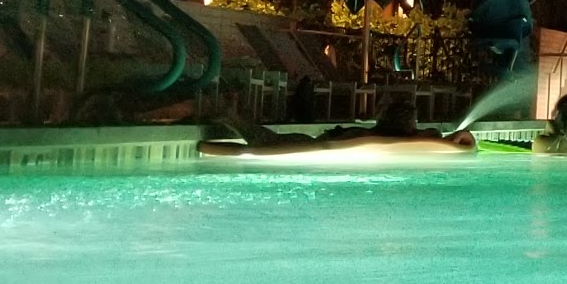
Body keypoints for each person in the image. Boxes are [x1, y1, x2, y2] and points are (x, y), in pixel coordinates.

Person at [196, 91, 475, 158]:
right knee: (258, 145)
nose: (418, 123)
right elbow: (436, 141)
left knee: (259, 143)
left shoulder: (384, 135)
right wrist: (461, 139)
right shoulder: (397, 139)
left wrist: (456, 137)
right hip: (316, 147)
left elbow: (437, 138)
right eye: (413, 119)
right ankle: (223, 115)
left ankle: (222, 120)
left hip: (316, 143)